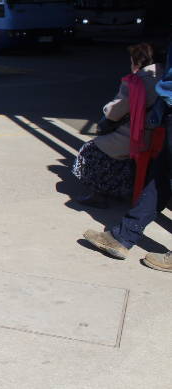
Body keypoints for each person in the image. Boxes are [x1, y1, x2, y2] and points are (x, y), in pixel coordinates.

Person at [83, 41, 172, 272]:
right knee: (159, 179)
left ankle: (122, 234)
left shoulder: (135, 81)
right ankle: (123, 236)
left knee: (162, 177)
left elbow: (116, 110)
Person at [73, 43, 162, 208]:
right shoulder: (164, 78)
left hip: (134, 136)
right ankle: (123, 188)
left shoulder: (135, 82)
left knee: (91, 150)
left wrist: (106, 108)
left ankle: (99, 193)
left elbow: (114, 112)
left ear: (137, 63)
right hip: (155, 135)